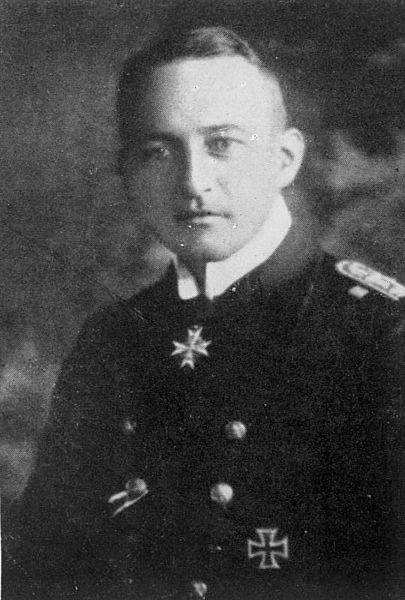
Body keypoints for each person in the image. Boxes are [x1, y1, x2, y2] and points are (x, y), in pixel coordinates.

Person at [5, 25, 404, 600]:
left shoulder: (379, 332)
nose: (193, 182)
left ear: (285, 159)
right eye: (158, 152)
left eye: (222, 144)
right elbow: (42, 565)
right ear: (127, 174)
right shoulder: (112, 339)